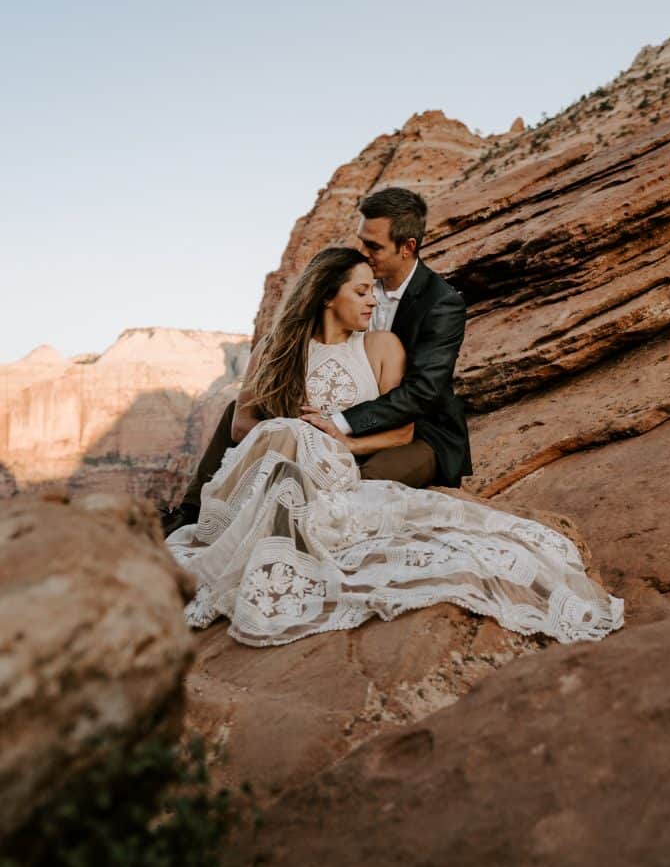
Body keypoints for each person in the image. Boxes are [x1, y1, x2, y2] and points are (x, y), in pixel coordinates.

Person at [166, 246, 623, 647]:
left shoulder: (383, 347)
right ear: (328, 296)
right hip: (278, 457)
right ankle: (217, 522)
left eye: (374, 291)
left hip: (338, 462)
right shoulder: (278, 346)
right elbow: (242, 419)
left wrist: (341, 438)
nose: (372, 301)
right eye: (361, 292)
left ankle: (276, 525)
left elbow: (403, 433)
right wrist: (288, 425)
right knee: (282, 436)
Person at [164, 187, 471, 538]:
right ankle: (191, 512)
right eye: (362, 243)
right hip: (335, 413)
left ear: (408, 247)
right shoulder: (346, 286)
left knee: (354, 495)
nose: (364, 254)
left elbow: (421, 393)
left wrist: (336, 428)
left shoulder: (440, 303)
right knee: (238, 408)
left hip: (420, 431)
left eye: (374, 247)